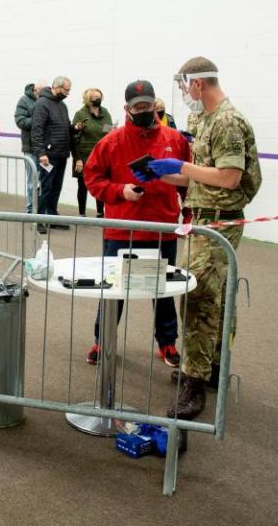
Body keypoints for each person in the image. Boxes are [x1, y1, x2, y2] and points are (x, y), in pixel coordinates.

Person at [137, 57, 263, 420]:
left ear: (198, 84)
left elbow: (229, 178)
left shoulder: (226, 121)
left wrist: (182, 167)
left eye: (184, 85)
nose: (183, 94)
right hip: (202, 218)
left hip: (218, 223)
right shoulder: (204, 120)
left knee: (199, 300)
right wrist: (161, 175)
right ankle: (209, 369)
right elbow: (199, 178)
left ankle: (195, 385)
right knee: (213, 297)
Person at [83, 79, 190, 368]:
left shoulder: (175, 140)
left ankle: (167, 343)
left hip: (162, 230)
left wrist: (189, 219)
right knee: (112, 290)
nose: (144, 110)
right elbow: (93, 179)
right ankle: (102, 339)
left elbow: (189, 184)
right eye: (137, 107)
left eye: (148, 105)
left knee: (163, 291)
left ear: (156, 104)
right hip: (122, 230)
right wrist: (120, 192)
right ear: (127, 108)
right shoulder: (111, 142)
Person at [31, 76, 74, 233]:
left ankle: (52, 217)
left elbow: (66, 126)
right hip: (48, 155)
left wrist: (75, 128)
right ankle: (40, 219)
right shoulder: (42, 104)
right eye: (66, 90)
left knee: (56, 187)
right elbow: (37, 130)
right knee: (46, 187)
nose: (68, 93)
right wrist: (41, 152)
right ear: (56, 87)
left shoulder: (62, 105)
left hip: (61, 153)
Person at [71, 88, 113, 217]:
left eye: (99, 96)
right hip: (84, 156)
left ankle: (100, 213)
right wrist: (77, 159)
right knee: (83, 185)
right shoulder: (80, 114)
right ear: (88, 99)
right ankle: (82, 214)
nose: (97, 99)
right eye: (94, 97)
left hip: (102, 155)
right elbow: (73, 138)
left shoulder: (105, 113)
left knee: (100, 183)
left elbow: (108, 130)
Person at [15, 81, 47, 213]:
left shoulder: (47, 101)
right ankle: (30, 210)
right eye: (43, 90)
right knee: (32, 181)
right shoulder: (24, 100)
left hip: (46, 149)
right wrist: (37, 118)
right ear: (35, 90)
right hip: (31, 149)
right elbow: (20, 121)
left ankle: (42, 210)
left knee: (45, 181)